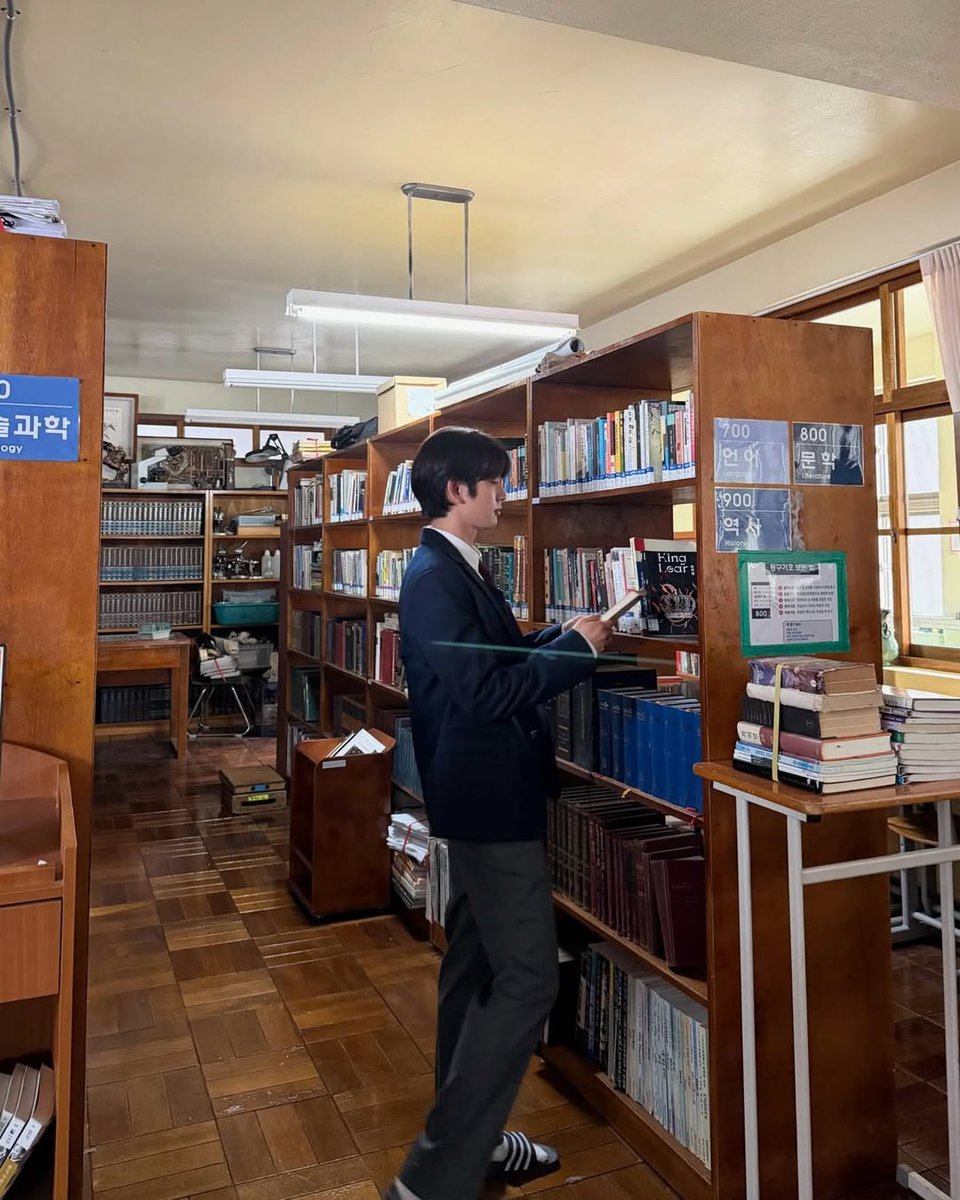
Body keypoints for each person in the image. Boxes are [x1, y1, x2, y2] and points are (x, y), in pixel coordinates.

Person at [388, 426, 613, 1200]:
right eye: (497, 484)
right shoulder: (432, 577)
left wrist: (560, 638)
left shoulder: (456, 570)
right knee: (526, 981)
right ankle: (437, 1171)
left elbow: (489, 663)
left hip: (485, 793)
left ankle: (475, 1144)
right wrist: (572, 657)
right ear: (459, 491)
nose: (504, 496)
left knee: (475, 965)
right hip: (488, 802)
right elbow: (483, 697)